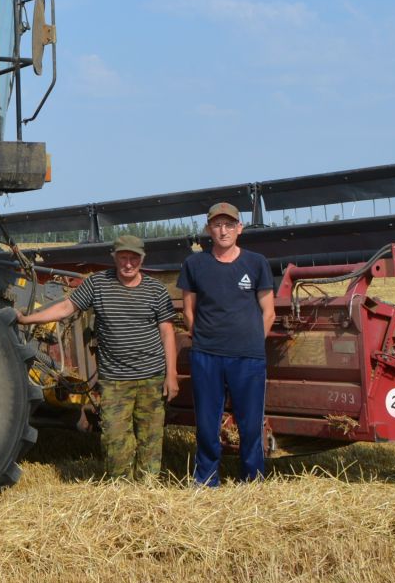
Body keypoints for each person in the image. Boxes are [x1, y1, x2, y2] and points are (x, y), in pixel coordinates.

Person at [18, 234, 178, 480]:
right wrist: (29, 319)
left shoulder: (155, 290)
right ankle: (120, 486)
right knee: (115, 436)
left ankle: (148, 486)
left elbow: (167, 332)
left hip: (151, 376)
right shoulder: (98, 284)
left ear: (142, 259)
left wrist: (171, 375)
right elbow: (66, 308)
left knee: (150, 436)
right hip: (114, 380)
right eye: (123, 257)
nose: (128, 264)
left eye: (133, 258)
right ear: (114, 258)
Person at [177, 202, 275, 485]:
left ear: (239, 229)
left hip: (248, 357)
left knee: (250, 422)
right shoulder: (194, 264)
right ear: (209, 229)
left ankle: (252, 479)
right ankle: (206, 479)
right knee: (207, 423)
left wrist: (254, 340)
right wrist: (206, 338)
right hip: (207, 355)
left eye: (229, 225)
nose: (223, 230)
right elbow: (188, 311)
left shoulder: (256, 263)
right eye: (217, 225)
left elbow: (268, 312)